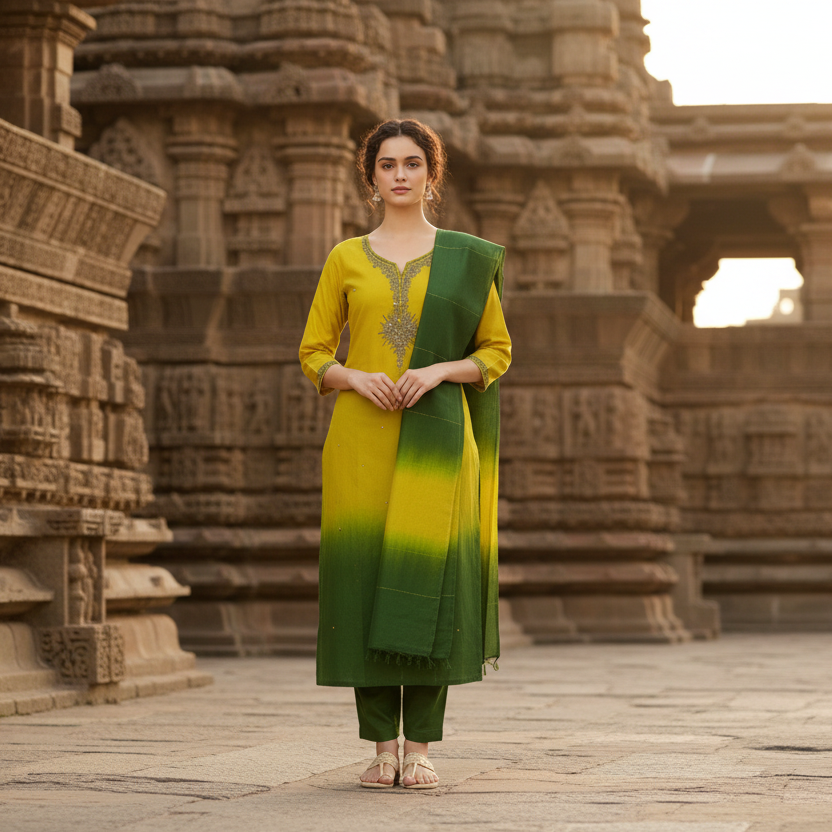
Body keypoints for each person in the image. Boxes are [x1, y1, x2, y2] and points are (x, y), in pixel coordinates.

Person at [299, 118, 511, 790]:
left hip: (438, 442)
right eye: (386, 164)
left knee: (429, 585)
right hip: (360, 440)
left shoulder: (466, 258)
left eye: (411, 163)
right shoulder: (346, 259)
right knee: (362, 583)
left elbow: (496, 352)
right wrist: (355, 376)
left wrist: (441, 371)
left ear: (431, 174)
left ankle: (419, 746)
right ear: (370, 179)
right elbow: (312, 353)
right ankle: (380, 744)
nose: (399, 174)